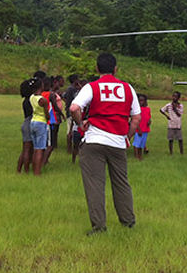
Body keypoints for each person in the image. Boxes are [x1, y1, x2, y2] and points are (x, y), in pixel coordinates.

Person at [70, 53, 141, 235]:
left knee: (95, 185)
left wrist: (80, 124)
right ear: (116, 69)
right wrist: (127, 137)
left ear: (97, 68)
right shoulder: (127, 88)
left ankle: (99, 226)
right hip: (117, 142)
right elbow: (136, 118)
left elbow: (74, 108)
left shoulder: (91, 87)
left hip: (94, 140)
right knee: (121, 183)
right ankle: (128, 221)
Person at [29, 78, 50, 176]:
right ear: (40, 87)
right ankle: (37, 172)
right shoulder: (43, 100)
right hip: (41, 123)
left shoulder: (32, 97)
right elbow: (46, 113)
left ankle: (34, 169)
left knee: (35, 148)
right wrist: (48, 117)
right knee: (40, 149)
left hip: (33, 121)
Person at [17, 78, 37, 173]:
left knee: (26, 149)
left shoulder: (25, 100)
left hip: (26, 123)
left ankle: (20, 169)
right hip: (29, 123)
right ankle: (26, 170)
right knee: (27, 149)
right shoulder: (31, 100)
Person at [62, 74, 80, 154]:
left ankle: (71, 148)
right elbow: (69, 100)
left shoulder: (72, 88)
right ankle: (69, 148)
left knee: (72, 130)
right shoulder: (71, 89)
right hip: (71, 111)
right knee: (70, 130)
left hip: (71, 110)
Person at [132, 94, 152, 161]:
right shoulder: (137, 110)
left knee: (142, 144)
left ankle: (140, 156)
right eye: (139, 101)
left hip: (145, 129)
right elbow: (134, 120)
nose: (141, 102)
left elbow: (149, 118)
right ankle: (136, 156)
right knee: (136, 144)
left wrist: (149, 122)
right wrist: (138, 129)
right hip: (139, 130)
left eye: (142, 101)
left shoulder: (148, 109)